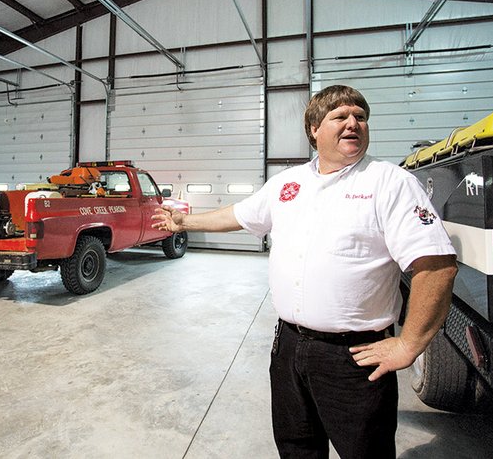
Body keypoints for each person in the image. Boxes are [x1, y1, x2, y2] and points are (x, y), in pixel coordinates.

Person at [152, 85, 457, 459]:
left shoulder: (389, 183)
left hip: (354, 357)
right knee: (297, 448)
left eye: (360, 117)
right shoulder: (288, 184)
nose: (353, 124)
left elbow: (436, 265)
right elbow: (239, 215)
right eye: (340, 117)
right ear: (314, 128)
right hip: (289, 348)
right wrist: (185, 222)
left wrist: (409, 344)